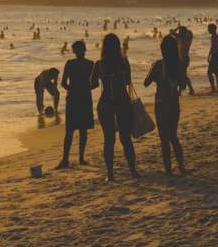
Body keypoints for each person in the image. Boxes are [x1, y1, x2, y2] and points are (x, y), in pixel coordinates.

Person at [91, 33, 139, 181]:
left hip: (106, 103)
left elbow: (92, 84)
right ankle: (132, 170)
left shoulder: (99, 64)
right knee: (126, 139)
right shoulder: (124, 62)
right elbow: (128, 81)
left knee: (109, 140)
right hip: (123, 102)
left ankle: (110, 174)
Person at [144, 36, 188, 175]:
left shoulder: (158, 65)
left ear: (162, 50)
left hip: (161, 104)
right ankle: (181, 167)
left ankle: (168, 169)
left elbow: (146, 83)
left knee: (164, 138)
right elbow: (184, 86)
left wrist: (154, 72)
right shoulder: (179, 65)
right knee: (173, 136)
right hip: (174, 103)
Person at [56, 41, 94, 169]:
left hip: (73, 98)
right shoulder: (90, 64)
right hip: (85, 98)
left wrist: (72, 89)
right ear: (85, 50)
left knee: (69, 130)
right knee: (83, 130)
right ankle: (81, 158)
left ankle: (65, 159)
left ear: (74, 51)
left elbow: (63, 83)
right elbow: (95, 84)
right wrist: (85, 88)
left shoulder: (70, 64)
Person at [206, 23, 218, 93]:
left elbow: (214, 47)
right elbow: (212, 47)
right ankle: (216, 89)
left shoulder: (216, 37)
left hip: (216, 56)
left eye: (209, 29)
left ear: (213, 29)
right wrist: (209, 54)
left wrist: (210, 55)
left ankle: (216, 89)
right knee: (215, 73)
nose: (208, 30)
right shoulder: (214, 37)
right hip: (215, 55)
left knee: (212, 73)